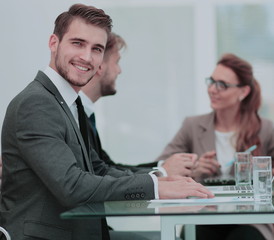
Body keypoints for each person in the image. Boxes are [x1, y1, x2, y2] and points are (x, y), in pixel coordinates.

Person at [0, 4, 213, 240]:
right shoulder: (36, 103)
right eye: (77, 43)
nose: (86, 57)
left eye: (97, 49)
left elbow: (98, 168)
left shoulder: (68, 102)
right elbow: (72, 186)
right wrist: (154, 186)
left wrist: (160, 178)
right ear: (53, 43)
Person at [155, 53, 274, 240]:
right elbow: (161, 166)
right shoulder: (192, 126)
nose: (212, 89)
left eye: (222, 85)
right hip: (204, 214)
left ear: (243, 92)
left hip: (251, 219)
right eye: (211, 82)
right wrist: (193, 170)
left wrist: (265, 173)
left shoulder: (266, 129)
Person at [80, 32, 197, 177]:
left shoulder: (85, 112)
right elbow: (99, 173)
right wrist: (162, 172)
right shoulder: (74, 114)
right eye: (116, 62)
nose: (119, 70)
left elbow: (107, 167)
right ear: (99, 66)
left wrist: (162, 167)